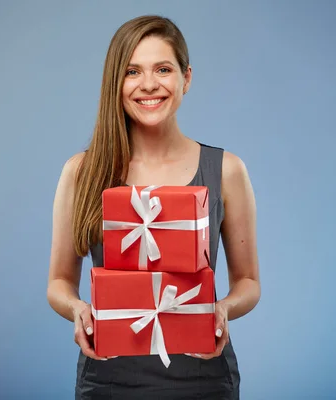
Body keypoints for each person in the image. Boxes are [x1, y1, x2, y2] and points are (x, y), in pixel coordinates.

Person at [47, 15, 260, 400]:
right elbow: (59, 282)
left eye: (163, 69)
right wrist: (77, 308)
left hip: (204, 377)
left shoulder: (227, 170)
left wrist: (223, 309)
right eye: (132, 71)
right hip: (107, 378)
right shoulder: (81, 172)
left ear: (186, 78)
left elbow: (249, 283)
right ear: (116, 82)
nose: (148, 84)